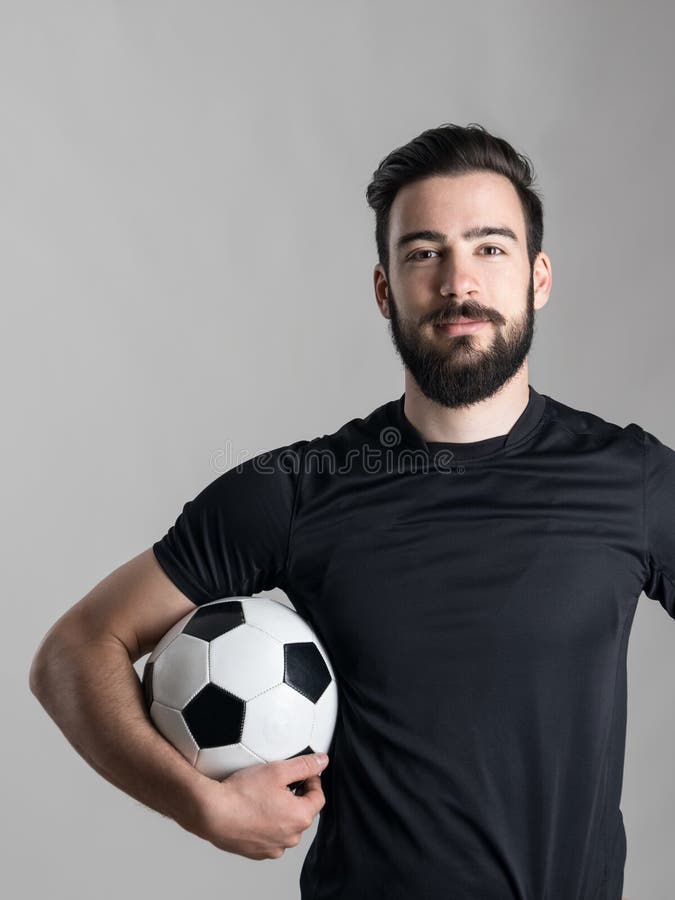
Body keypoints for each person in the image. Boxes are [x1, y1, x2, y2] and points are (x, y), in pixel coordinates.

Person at [29, 122, 670, 900]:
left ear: (537, 278)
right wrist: (200, 804)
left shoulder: (629, 478)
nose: (458, 282)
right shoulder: (300, 488)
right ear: (384, 289)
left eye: (489, 248)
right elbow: (72, 653)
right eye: (423, 252)